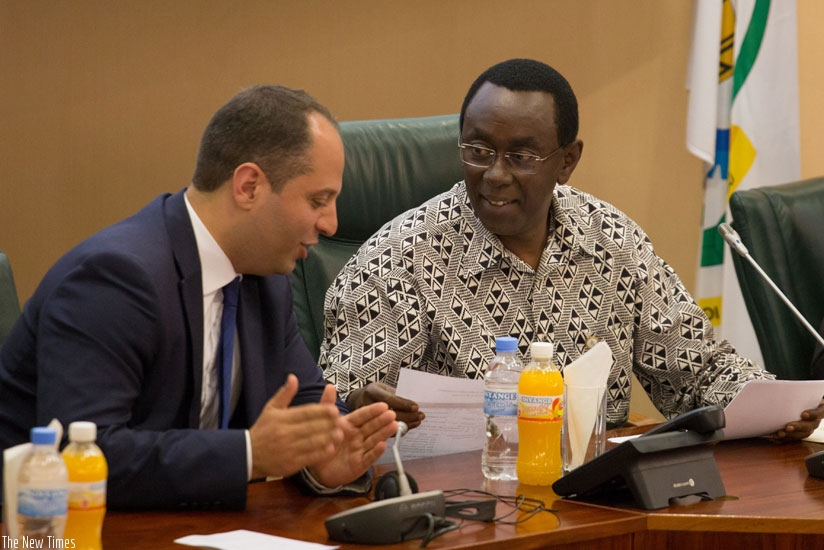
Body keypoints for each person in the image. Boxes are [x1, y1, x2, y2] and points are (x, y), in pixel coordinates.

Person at [319, 58, 824, 439]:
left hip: (601, 504)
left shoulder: (613, 241)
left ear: (567, 161)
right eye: (477, 151)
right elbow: (337, 414)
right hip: (463, 510)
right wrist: (353, 410)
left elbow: (698, 372)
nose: (494, 174)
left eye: (520, 155)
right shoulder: (396, 260)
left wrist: (777, 411)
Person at [0, 85, 398, 509]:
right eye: (318, 200)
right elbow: (84, 457)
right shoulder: (115, 279)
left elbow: (304, 401)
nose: (332, 224)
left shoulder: (265, 277)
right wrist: (248, 454)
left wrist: (324, 455)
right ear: (248, 186)